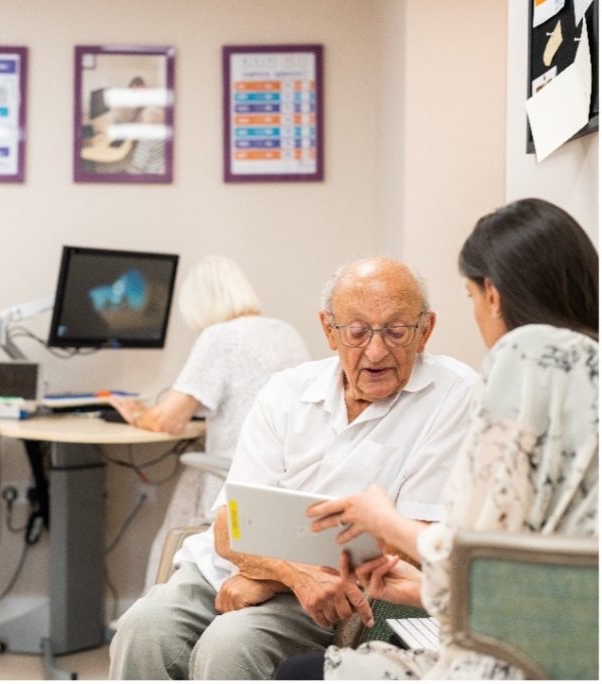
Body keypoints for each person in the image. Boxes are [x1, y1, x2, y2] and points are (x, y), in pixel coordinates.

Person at [108, 256, 479, 680]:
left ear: (425, 330)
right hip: (231, 569)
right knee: (142, 630)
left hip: (335, 590)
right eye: (357, 332)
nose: (376, 351)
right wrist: (286, 573)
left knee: (228, 647)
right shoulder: (287, 391)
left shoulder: (453, 393)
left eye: (396, 332)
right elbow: (229, 527)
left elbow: (408, 540)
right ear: (329, 330)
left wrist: (272, 582)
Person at [279, 198, 599, 680]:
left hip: (523, 659)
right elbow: (542, 566)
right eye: (360, 332)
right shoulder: (590, 364)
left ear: (492, 294)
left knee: (298, 673)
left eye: (469, 297)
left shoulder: (524, 358)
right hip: (570, 645)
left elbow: (484, 549)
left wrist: (381, 519)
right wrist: (422, 588)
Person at [109, 255, 310, 592]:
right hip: (292, 478)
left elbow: (168, 420)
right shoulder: (284, 331)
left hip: (238, 475)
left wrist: (136, 413)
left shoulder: (219, 336)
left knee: (187, 488)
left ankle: (160, 599)